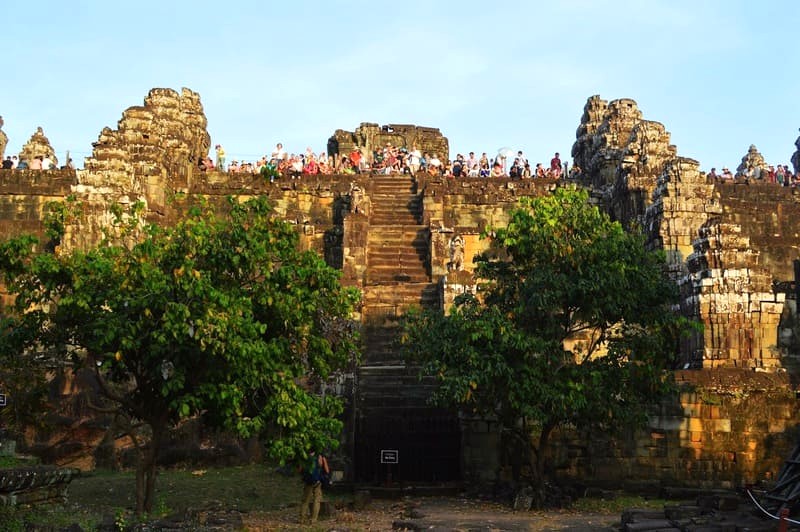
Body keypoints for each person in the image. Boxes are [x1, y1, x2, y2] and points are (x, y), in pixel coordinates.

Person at [299, 450, 330, 525]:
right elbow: (327, 470)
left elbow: (300, 470)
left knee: (305, 501)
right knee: (317, 500)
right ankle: (313, 519)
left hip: (308, 482)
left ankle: (302, 519)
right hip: (317, 482)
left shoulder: (304, 456)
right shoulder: (320, 456)